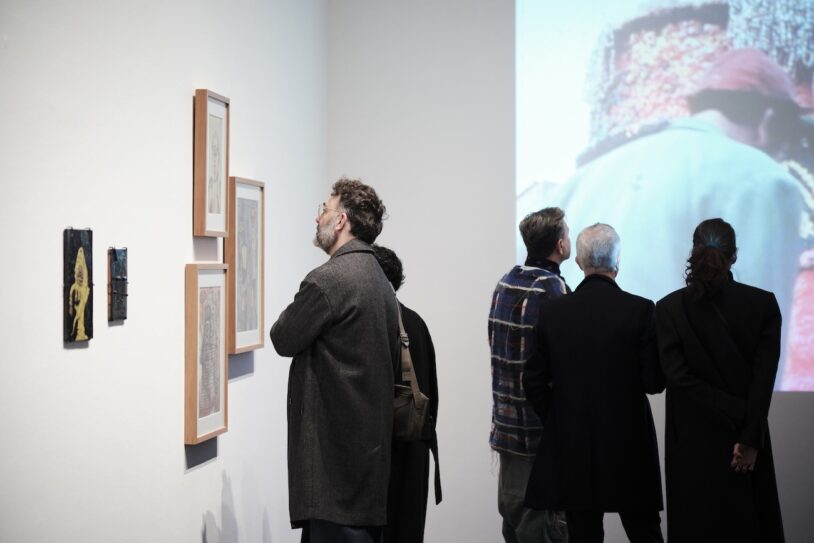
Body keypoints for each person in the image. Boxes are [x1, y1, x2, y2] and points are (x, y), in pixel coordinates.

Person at [555, 48, 805, 376]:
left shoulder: (583, 178)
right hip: (686, 398)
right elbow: (757, 337)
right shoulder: (764, 178)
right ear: (769, 119)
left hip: (585, 389)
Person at [270, 178, 399, 543]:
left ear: (341, 220)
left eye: (323, 209)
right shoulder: (378, 278)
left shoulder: (329, 280)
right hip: (366, 468)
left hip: (334, 475)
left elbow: (283, 337)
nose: (318, 218)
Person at [523, 224, 665, 543]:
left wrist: (559, 417)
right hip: (629, 445)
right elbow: (654, 382)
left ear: (579, 263)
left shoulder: (553, 312)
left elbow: (532, 382)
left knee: (583, 533)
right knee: (645, 532)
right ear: (617, 262)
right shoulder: (641, 310)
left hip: (574, 445)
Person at [655, 218, 784, 542]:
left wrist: (737, 412)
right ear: (734, 256)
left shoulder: (668, 309)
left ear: (694, 252)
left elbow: (678, 379)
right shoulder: (763, 304)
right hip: (745, 446)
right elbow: (763, 379)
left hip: (692, 448)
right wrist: (750, 432)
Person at [488, 207, 571, 543]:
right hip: (539, 434)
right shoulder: (553, 289)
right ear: (560, 246)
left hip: (506, 431)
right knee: (543, 528)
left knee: (514, 522)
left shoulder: (505, 281)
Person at [372, 244, 442, 543]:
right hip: (415, 449)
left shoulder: (372, 324)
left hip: (381, 456)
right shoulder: (416, 322)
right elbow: (432, 395)